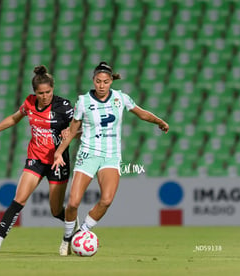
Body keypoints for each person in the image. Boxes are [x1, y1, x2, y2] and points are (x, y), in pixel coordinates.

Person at [52, 61, 169, 256]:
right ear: (93, 80)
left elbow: (141, 113)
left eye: (105, 82)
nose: (101, 85)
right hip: (88, 154)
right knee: (73, 203)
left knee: (106, 200)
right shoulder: (83, 101)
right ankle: (66, 239)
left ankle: (80, 234)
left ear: (111, 81)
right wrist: (59, 152)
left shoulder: (120, 98)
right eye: (98, 81)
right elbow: (73, 130)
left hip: (111, 156)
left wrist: (159, 121)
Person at [0, 65, 74, 255]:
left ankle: (71, 225)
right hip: (35, 158)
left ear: (53, 89)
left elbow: (80, 128)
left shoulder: (64, 107)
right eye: (40, 93)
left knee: (55, 210)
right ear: (34, 92)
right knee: (18, 200)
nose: (45, 96)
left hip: (57, 161)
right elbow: (14, 118)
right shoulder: (29, 103)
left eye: (48, 92)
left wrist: (71, 132)